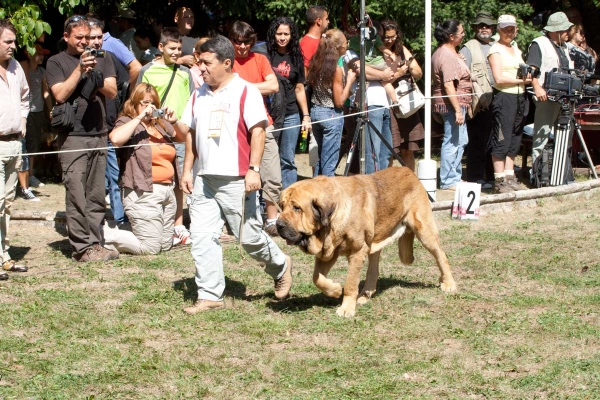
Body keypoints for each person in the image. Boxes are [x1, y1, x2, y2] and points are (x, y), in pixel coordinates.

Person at [175, 35, 293, 314]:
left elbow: (258, 131)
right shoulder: (198, 94)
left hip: (237, 177)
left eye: (206, 63)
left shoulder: (245, 91)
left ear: (227, 63)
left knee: (250, 237)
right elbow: (187, 134)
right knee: (202, 236)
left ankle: (281, 265)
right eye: (198, 62)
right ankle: (210, 294)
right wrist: (187, 169)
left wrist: (254, 170)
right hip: (205, 179)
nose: (200, 68)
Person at [45, 15, 118, 261]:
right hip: (72, 136)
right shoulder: (56, 61)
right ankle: (81, 248)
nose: (85, 42)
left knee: (96, 193)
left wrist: (94, 72)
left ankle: (95, 243)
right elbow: (60, 95)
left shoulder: (103, 57)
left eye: (88, 37)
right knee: (76, 193)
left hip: (99, 133)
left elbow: (112, 90)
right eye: (79, 37)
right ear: (66, 37)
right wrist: (79, 70)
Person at [104, 83, 184, 254]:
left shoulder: (160, 124)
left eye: (153, 103)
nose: (150, 107)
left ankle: (136, 233)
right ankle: (104, 235)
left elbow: (184, 137)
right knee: (151, 248)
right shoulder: (127, 120)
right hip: (142, 192)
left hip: (167, 192)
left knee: (164, 246)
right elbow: (116, 139)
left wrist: (174, 121)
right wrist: (139, 117)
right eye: (144, 103)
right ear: (134, 103)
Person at [138, 27, 195, 245]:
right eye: (172, 48)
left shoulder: (184, 72)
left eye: (179, 49)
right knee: (162, 178)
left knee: (181, 179)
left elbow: (191, 100)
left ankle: (178, 225)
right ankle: (160, 221)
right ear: (160, 47)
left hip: (180, 132)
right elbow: (139, 98)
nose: (176, 52)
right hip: (156, 132)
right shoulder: (148, 71)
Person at [229, 21, 282, 237]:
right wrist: (254, 88)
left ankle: (272, 220)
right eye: (238, 42)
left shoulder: (260, 59)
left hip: (263, 123)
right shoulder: (226, 62)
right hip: (235, 127)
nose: (242, 46)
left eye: (247, 42)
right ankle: (240, 221)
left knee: (271, 174)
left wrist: (242, 87)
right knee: (238, 176)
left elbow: (273, 86)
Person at [487, 15, 532, 193]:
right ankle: (499, 181)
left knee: (515, 138)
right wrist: (521, 81)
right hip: (504, 97)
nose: (509, 32)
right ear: (498, 30)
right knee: (502, 139)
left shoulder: (515, 48)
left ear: (516, 30)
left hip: (520, 97)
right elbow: (498, 78)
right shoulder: (495, 50)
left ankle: (509, 176)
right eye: (505, 29)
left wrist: (527, 78)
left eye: (511, 29)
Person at [0, 19, 30, 280]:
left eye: (13, 41)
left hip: (13, 143)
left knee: (7, 203)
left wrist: (22, 121)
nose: (13, 46)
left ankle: (4, 256)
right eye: (7, 41)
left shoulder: (16, 66)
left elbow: (24, 96)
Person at [266, 17, 311, 189]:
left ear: (292, 35)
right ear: (273, 34)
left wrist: (305, 116)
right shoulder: (266, 54)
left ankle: (288, 198)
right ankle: (267, 199)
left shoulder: (297, 56)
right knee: (268, 157)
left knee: (287, 158)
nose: (282, 37)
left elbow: (299, 88)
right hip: (270, 113)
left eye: (286, 33)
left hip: (291, 113)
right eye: (279, 33)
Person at [526, 12, 574, 165]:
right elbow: (531, 70)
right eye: (565, 29)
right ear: (555, 31)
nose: (568, 33)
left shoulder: (565, 46)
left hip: (566, 98)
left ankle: (561, 173)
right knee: (542, 135)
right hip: (547, 97)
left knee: (564, 136)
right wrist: (537, 88)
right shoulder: (539, 43)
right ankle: (538, 174)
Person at [307, 29, 356, 177]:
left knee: (321, 161)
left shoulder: (316, 63)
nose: (346, 45)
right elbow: (340, 101)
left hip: (316, 113)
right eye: (345, 43)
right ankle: (328, 198)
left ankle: (316, 195)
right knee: (329, 165)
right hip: (331, 115)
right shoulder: (335, 69)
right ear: (339, 47)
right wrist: (349, 82)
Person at [432, 19, 472, 190]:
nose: (463, 35)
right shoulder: (445, 55)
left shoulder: (450, 53)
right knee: (453, 141)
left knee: (461, 139)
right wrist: (457, 110)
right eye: (461, 32)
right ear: (451, 36)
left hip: (456, 103)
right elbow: (448, 84)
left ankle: (454, 177)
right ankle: (448, 180)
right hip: (451, 105)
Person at [380, 19, 424, 172]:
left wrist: (410, 68)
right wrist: (398, 73)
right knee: (390, 149)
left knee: (408, 148)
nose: (390, 40)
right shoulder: (376, 52)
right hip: (389, 104)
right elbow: (380, 80)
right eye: (387, 37)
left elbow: (419, 73)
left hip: (407, 103)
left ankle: (410, 184)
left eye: (393, 36)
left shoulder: (402, 49)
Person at [459, 11, 496, 189]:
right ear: (474, 28)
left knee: (495, 140)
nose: (484, 28)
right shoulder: (468, 47)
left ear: (493, 28)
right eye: (480, 25)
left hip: (499, 98)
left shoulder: (498, 46)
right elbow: (463, 76)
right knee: (477, 140)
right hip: (479, 102)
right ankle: (475, 177)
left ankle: (492, 175)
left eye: (487, 25)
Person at [20, 43, 53, 201]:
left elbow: (45, 91)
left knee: (35, 145)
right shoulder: (22, 66)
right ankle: (28, 176)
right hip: (27, 112)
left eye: (43, 55)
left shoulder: (42, 71)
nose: (41, 57)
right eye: (38, 54)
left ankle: (31, 174)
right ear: (29, 53)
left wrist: (50, 110)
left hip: (38, 111)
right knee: (27, 145)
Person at [300, 6, 329, 77]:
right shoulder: (308, 43)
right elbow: (304, 73)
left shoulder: (321, 39)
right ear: (319, 21)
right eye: (326, 19)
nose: (328, 21)